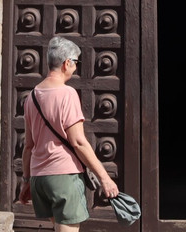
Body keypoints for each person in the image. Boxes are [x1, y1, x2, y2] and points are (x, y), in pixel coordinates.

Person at [19, 36, 119, 232]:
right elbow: (78, 142)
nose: (75, 67)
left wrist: (26, 180)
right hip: (63, 175)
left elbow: (28, 145)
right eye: (76, 62)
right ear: (67, 63)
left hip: (40, 178)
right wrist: (104, 178)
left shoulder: (32, 96)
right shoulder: (67, 94)